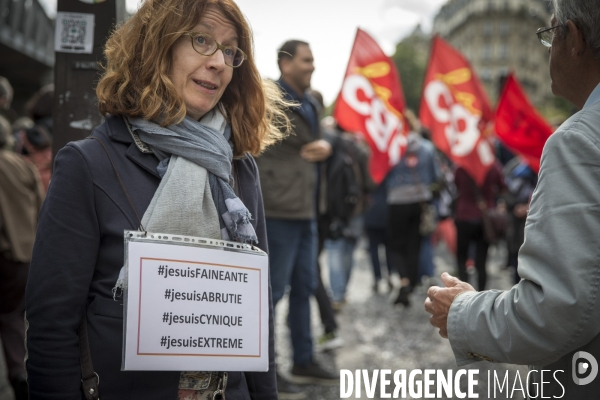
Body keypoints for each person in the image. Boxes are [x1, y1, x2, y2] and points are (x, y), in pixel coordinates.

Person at [25, 0, 287, 398]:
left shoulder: (238, 167)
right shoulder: (88, 163)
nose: (219, 61)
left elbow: (258, 311)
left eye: (231, 50)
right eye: (202, 40)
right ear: (156, 47)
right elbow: (51, 326)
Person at [425, 1, 600, 397]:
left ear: (572, 38)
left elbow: (557, 313)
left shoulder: (579, 141)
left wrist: (462, 312)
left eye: (549, 33)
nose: (548, 47)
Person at [255, 39, 337, 397]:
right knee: (271, 294)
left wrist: (327, 144)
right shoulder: (266, 95)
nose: (312, 66)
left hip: (306, 209)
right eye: (306, 60)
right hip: (277, 208)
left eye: (312, 59)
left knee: (305, 287)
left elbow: (320, 138)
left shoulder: (313, 102)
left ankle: (303, 360)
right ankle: (264, 371)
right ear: (285, 63)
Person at [0, 115, 44, 400]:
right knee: (16, 316)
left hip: (3, 256)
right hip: (26, 257)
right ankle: (21, 372)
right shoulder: (23, 165)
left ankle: (18, 374)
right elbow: (42, 207)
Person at [386, 129, 441, 307]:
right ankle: (411, 283)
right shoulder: (427, 148)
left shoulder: (392, 146)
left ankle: (404, 280)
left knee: (396, 244)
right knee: (414, 245)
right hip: (420, 201)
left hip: (396, 200)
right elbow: (437, 176)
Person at [452, 162, 505, 290]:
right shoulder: (492, 166)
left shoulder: (461, 167)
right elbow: (502, 187)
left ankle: (463, 291)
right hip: (484, 218)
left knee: (461, 257)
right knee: (482, 261)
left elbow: (456, 185)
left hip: (464, 216)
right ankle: (481, 293)